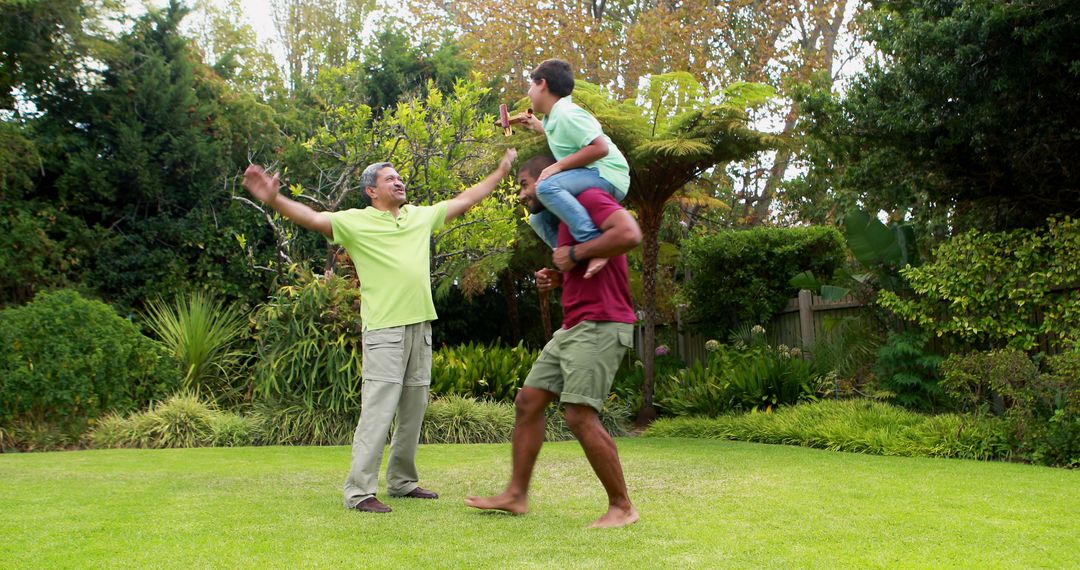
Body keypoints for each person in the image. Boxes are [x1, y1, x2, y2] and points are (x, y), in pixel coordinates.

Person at [242, 148, 517, 514]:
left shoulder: (419, 217)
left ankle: (402, 482)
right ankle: (359, 492)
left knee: (413, 408)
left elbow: (465, 199)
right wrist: (275, 199)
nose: (399, 181)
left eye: (400, 177)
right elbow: (311, 217)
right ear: (371, 190)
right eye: (390, 178)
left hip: (420, 325)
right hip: (385, 329)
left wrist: (500, 172)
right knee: (378, 410)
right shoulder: (355, 221)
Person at [465, 155, 641, 528]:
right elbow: (586, 262)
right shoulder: (563, 220)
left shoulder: (591, 198)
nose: (523, 194)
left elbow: (628, 234)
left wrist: (574, 253)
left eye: (526, 184)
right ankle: (516, 494)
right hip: (575, 323)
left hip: (602, 322)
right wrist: (560, 277)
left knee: (579, 414)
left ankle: (622, 506)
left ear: (548, 178)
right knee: (529, 401)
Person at [510, 58, 631, 278]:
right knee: (537, 219)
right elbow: (565, 140)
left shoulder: (568, 113)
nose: (528, 93)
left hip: (607, 174)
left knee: (545, 187)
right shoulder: (555, 118)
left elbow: (600, 148)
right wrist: (537, 126)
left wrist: (556, 167)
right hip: (591, 174)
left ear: (542, 84)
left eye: (530, 86)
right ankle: (567, 257)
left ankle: (594, 243)